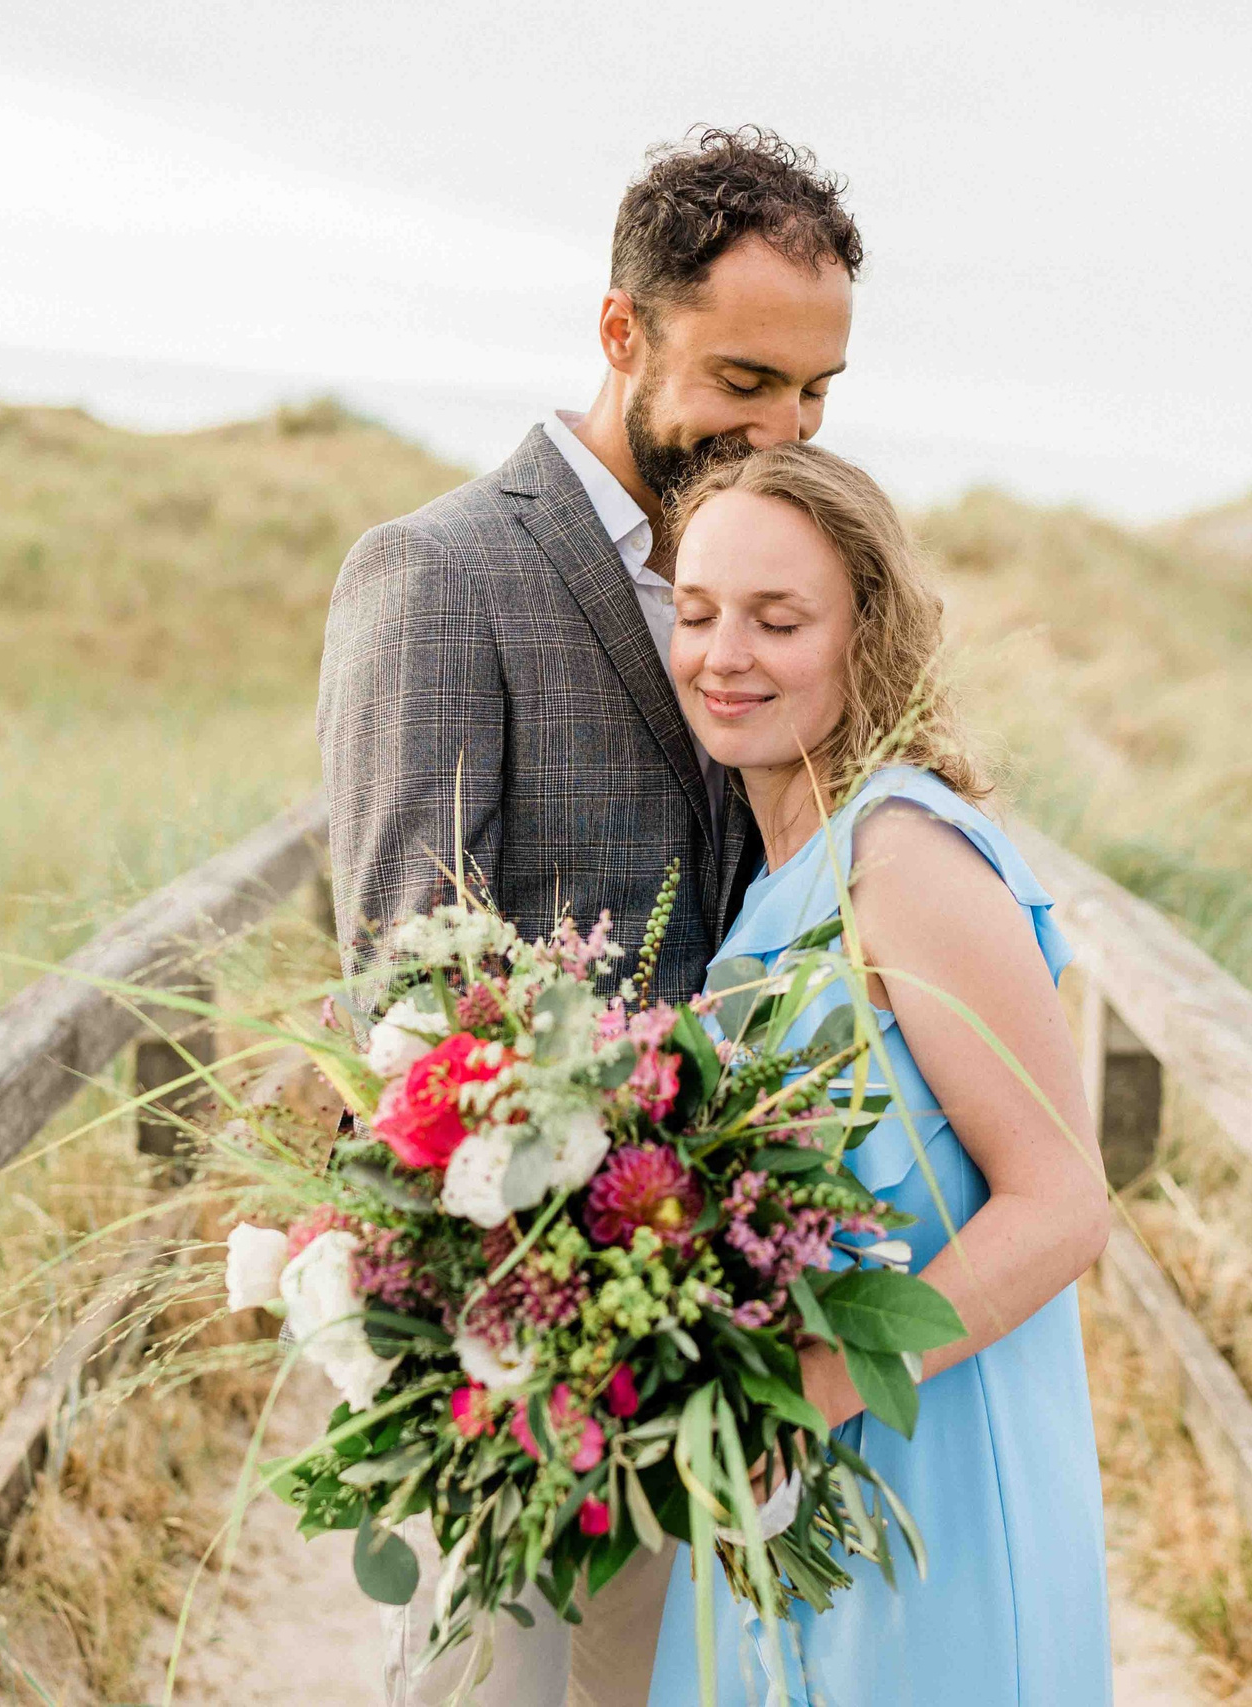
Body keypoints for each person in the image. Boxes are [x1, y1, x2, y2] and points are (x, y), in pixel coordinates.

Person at [316, 128, 864, 1706]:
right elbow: (406, 989)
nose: (788, 427)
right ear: (622, 331)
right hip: (535, 1342)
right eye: (747, 379)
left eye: (819, 393)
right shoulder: (437, 575)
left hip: (742, 1339)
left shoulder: (775, 571)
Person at [645, 443, 1117, 1706]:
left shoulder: (899, 857)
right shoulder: (771, 870)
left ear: (871, 633)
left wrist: (809, 1389)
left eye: (777, 619)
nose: (721, 654)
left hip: (929, 1474)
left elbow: (1064, 1203)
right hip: (793, 1485)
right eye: (695, 614)